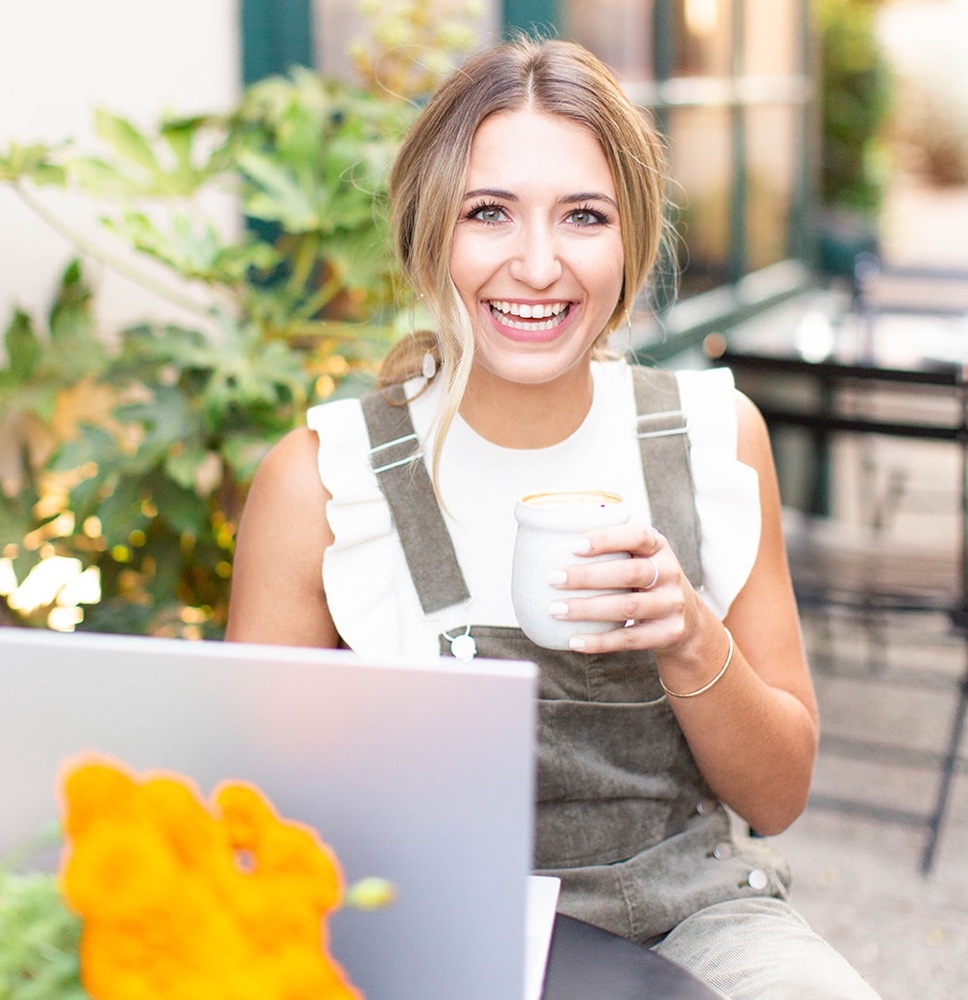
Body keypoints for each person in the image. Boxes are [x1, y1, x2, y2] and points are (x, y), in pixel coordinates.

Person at [226, 37, 881, 1000]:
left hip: (694, 920)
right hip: (428, 924)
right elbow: (251, 817)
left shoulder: (715, 436)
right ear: (428, 232)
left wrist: (692, 639)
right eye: (488, 212)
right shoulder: (323, 480)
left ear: (632, 240)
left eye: (584, 216)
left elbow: (777, 798)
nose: (537, 266)